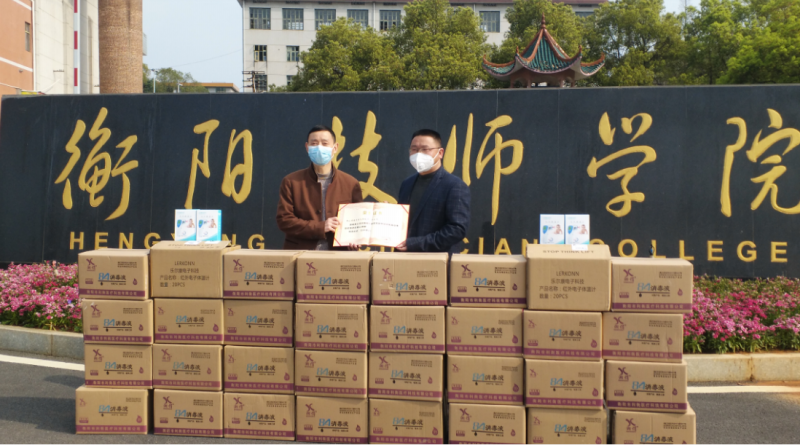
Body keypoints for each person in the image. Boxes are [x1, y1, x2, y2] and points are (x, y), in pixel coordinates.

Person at [276, 125, 363, 250]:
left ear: (335, 148)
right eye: (314, 143)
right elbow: (284, 220)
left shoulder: (351, 184)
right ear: (307, 147)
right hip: (300, 253)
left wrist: (356, 239)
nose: (319, 148)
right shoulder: (291, 182)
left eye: (325, 143)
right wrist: (320, 227)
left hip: (338, 255)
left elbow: (358, 221)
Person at [396, 129, 470, 253]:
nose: (418, 154)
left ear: (440, 153)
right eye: (414, 149)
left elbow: (457, 230)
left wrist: (416, 244)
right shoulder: (407, 183)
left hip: (436, 260)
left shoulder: (454, 185)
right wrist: (387, 214)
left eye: (425, 149)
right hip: (402, 259)